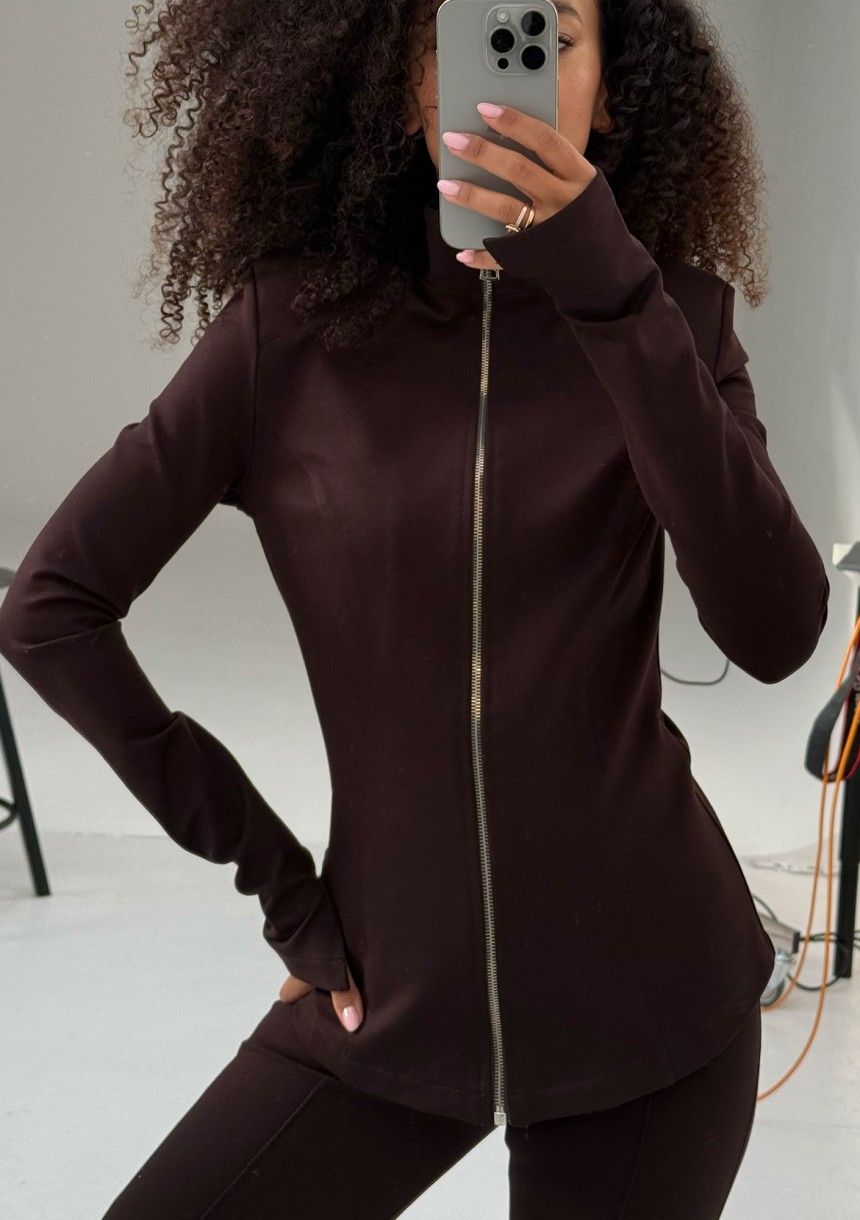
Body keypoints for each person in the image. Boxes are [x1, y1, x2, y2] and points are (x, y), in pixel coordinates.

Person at [0, 0, 828, 1216]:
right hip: (384, 993)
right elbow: (51, 608)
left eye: (551, 30)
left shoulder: (674, 320)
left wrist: (612, 294)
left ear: (612, 85)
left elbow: (775, 633)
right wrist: (279, 880)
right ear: (402, 87)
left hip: (653, 1003)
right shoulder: (287, 332)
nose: (505, 67)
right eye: (460, 30)